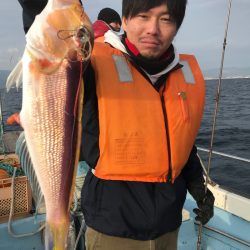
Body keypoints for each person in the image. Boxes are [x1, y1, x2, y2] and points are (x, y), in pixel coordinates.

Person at [18, 0, 215, 249]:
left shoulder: (182, 74)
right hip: (113, 229)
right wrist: (44, 7)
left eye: (165, 19)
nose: (153, 29)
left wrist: (197, 184)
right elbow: (53, 46)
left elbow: (179, 140)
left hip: (168, 226)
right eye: (143, 16)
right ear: (125, 20)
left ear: (177, 26)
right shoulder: (93, 60)